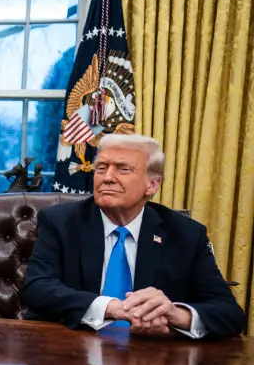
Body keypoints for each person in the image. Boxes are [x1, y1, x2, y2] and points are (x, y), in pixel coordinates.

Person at [22, 134, 244, 339]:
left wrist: (175, 315)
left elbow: (229, 313)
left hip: (151, 362)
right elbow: (38, 288)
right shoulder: (60, 222)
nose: (107, 178)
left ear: (152, 184)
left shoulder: (186, 234)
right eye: (101, 168)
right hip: (70, 351)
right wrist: (113, 308)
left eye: (123, 169)